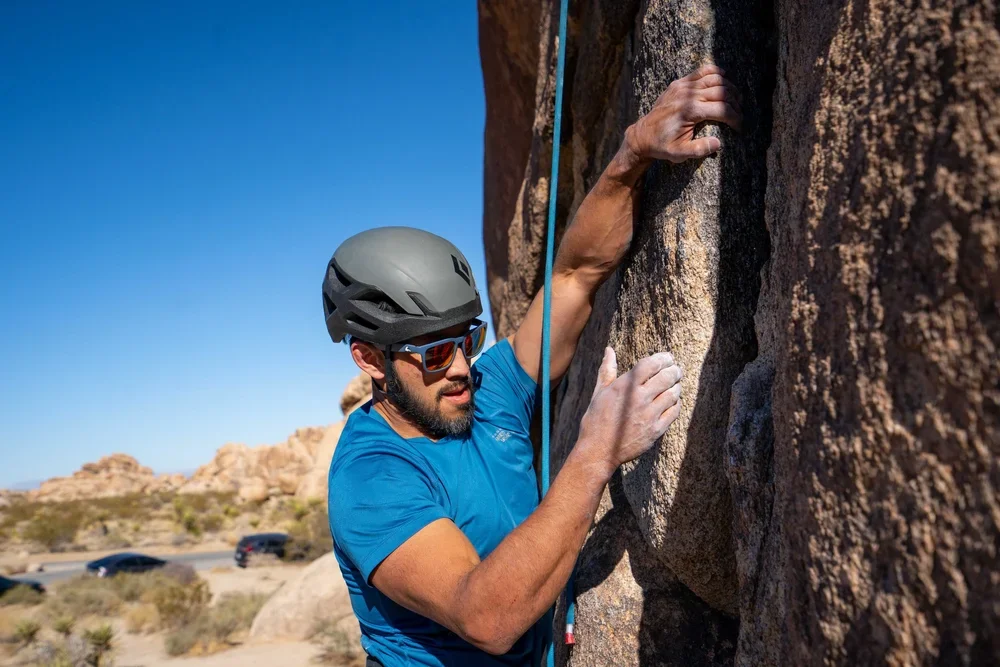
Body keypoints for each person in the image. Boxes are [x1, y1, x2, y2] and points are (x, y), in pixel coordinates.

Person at [323, 65, 742, 667]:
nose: (463, 367)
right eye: (436, 352)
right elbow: (485, 616)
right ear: (370, 359)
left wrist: (633, 152)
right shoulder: (372, 476)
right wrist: (596, 452)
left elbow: (575, 275)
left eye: (467, 338)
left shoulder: (485, 390)